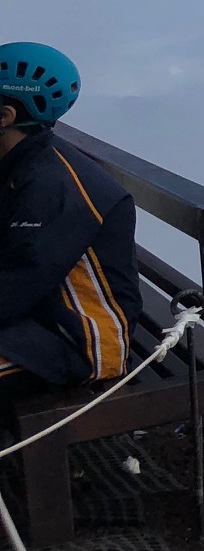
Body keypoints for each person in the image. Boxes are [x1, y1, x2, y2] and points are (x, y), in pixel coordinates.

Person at [0, 44, 140, 393]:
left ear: (5, 117)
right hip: (32, 320)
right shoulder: (18, 161)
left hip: (77, 344)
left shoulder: (51, 188)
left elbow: (13, 287)